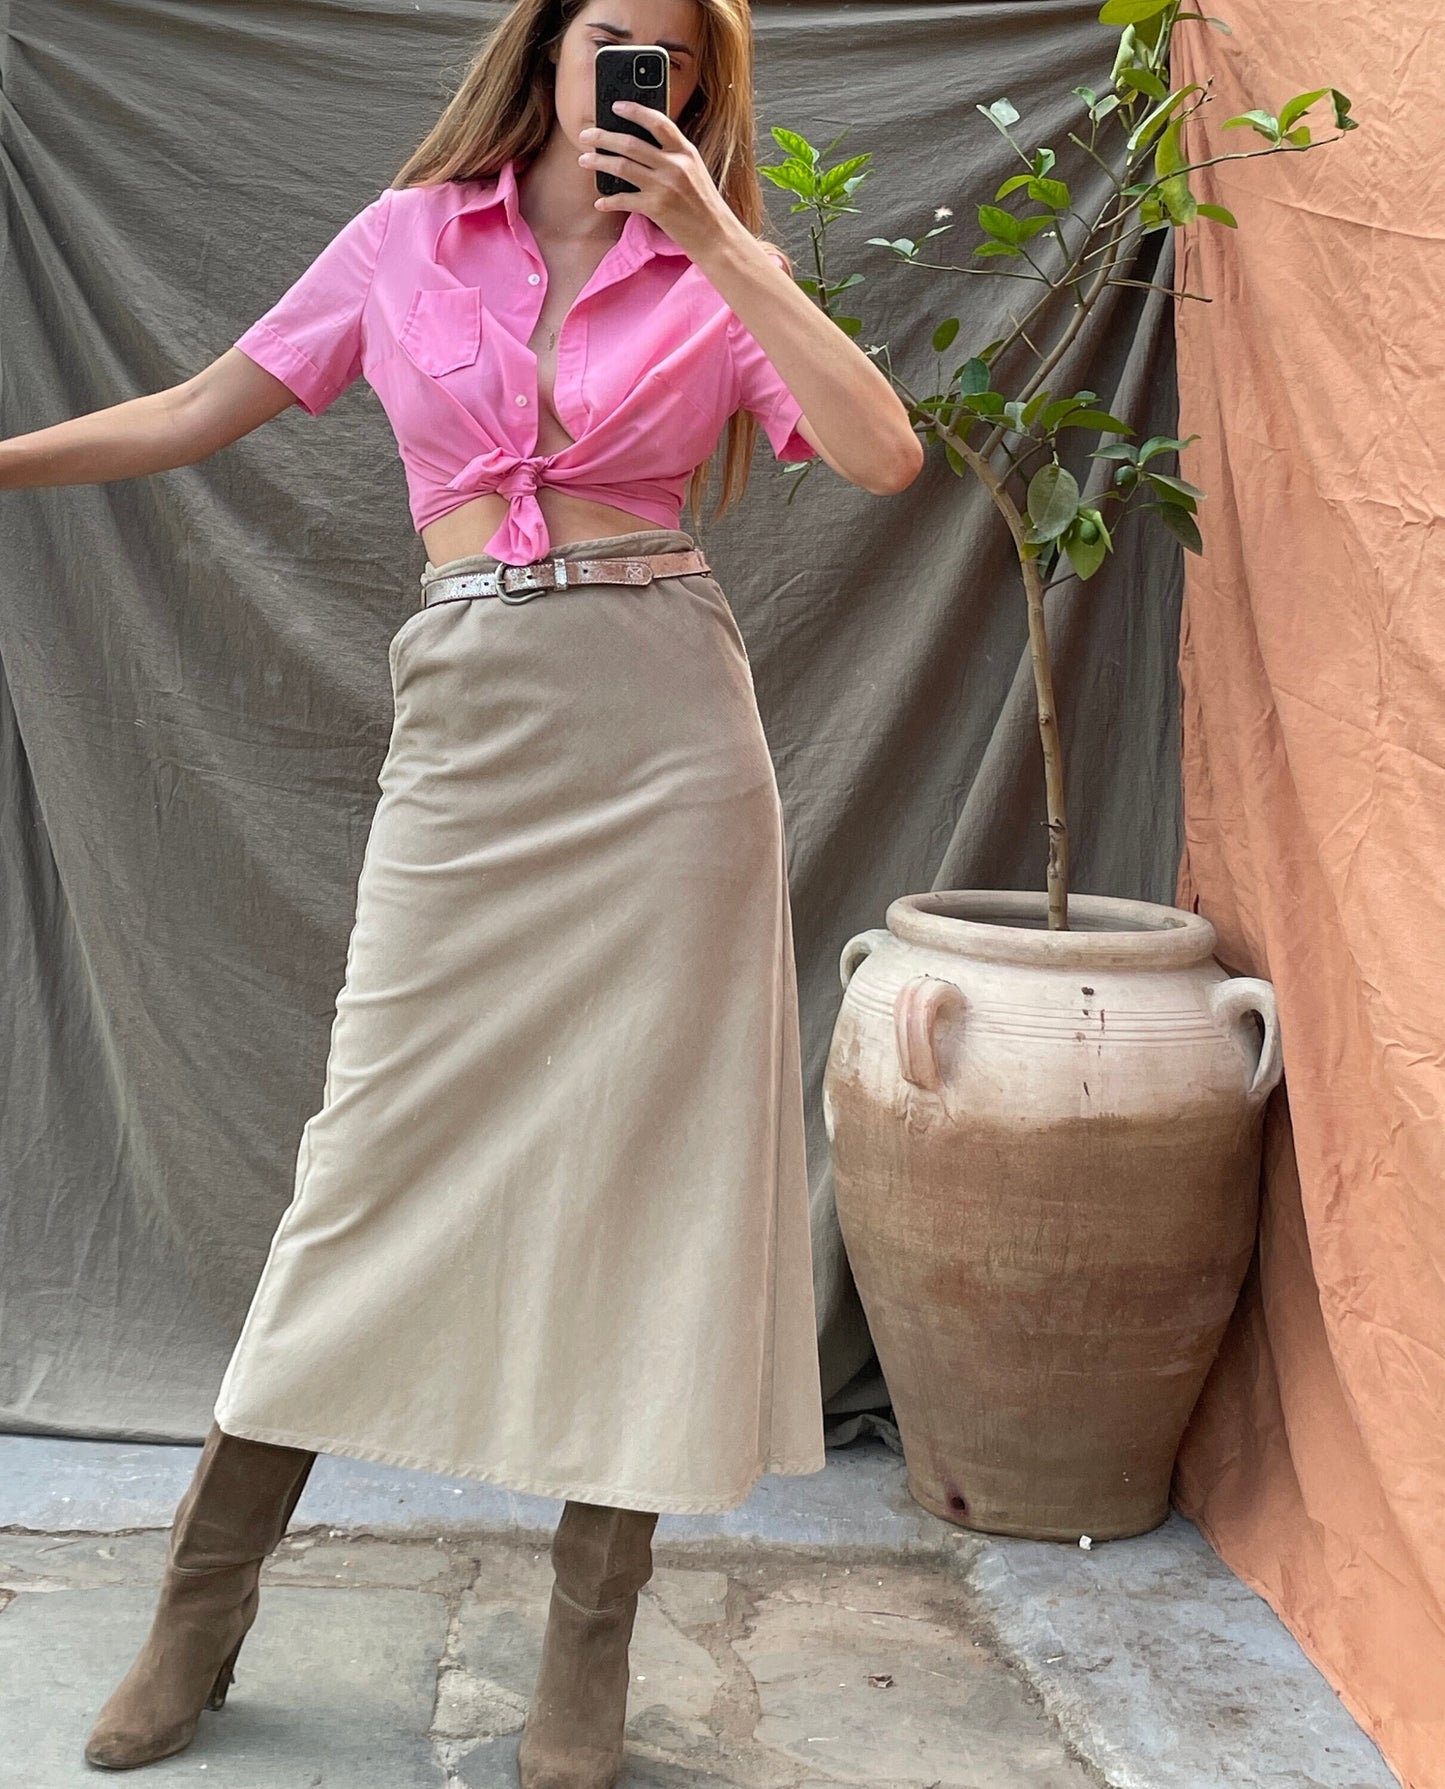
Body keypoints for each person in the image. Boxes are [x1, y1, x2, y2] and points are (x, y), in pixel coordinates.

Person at [0, 0, 920, 1779]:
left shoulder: (714, 277)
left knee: (650, 1182)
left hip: (664, 740)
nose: (625, 69)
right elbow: (203, 408)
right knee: (365, 1164)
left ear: (701, 88)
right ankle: (203, 1598)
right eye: (603, 34)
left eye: (665, 51)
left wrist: (721, 238)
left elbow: (881, 454)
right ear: (547, 53)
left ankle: (589, 1637)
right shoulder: (406, 240)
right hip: (472, 725)